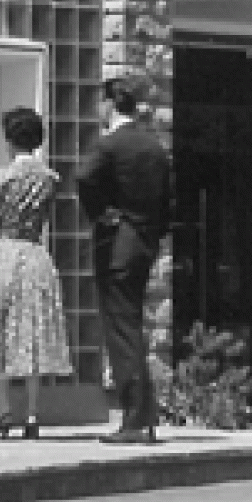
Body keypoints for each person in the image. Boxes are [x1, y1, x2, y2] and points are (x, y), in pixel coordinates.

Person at [0, 107, 74, 439]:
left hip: (5, 253)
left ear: (10, 139)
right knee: (32, 332)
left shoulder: (2, 176)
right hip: (36, 255)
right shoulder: (50, 178)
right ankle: (33, 415)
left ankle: (3, 411)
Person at [78, 75, 174, 445]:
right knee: (132, 326)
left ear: (108, 104)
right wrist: (153, 231)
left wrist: (101, 213)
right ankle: (143, 415)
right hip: (144, 243)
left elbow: (84, 177)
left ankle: (134, 419)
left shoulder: (111, 144)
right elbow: (168, 200)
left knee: (122, 331)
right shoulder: (154, 147)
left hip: (118, 244)